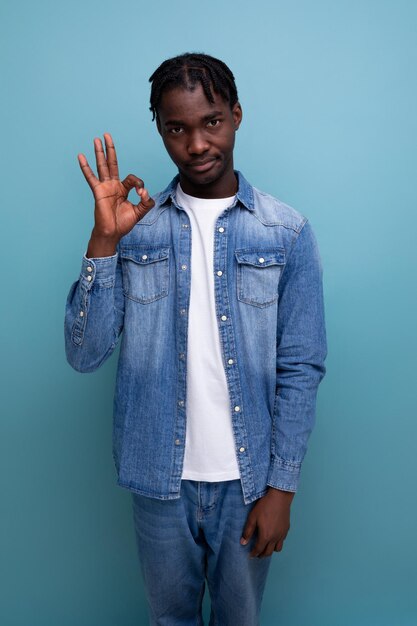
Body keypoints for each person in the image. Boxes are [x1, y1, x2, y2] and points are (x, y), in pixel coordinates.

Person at [65, 52, 327, 626]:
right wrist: (104, 242)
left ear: (236, 115)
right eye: (176, 128)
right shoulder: (137, 230)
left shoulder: (285, 232)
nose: (198, 144)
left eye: (211, 122)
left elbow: (301, 366)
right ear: (160, 130)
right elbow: (84, 354)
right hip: (158, 478)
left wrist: (281, 487)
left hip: (249, 480)